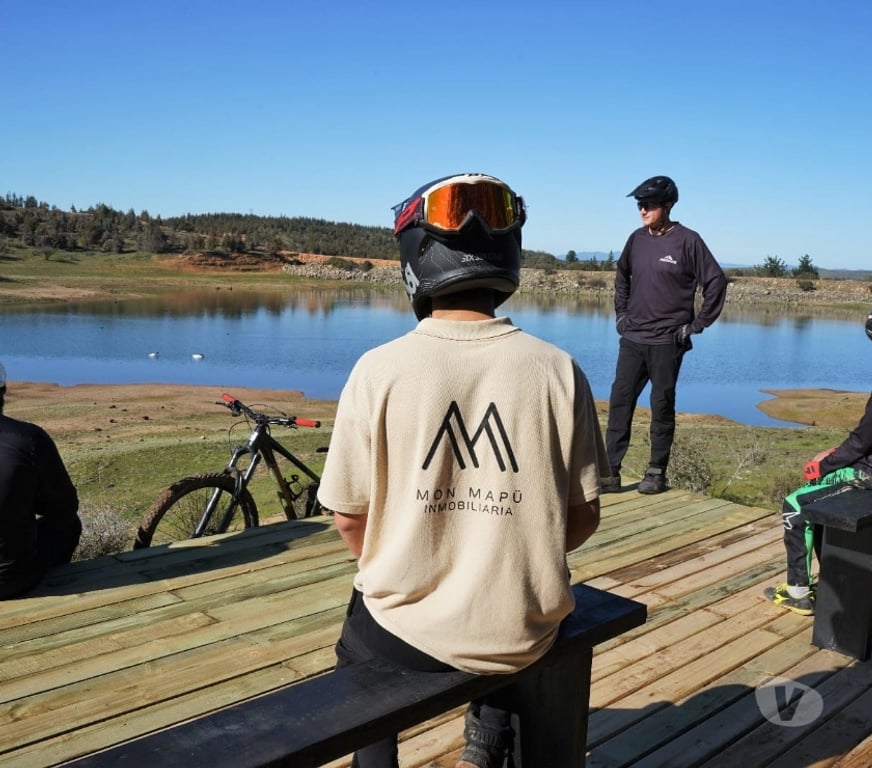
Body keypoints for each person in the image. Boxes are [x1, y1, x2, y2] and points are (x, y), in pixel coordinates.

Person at [317, 173, 607, 768]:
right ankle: (489, 738)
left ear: (415, 258)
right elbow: (582, 517)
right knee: (502, 633)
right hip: (523, 628)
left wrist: (411, 556)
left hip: (405, 633)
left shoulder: (379, 370)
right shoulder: (559, 370)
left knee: (358, 653)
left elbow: (350, 521)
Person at [602, 175, 727, 495]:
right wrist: (621, 315)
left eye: (649, 205)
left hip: (666, 342)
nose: (642, 210)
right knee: (620, 401)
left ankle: (655, 473)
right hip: (633, 339)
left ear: (668, 205)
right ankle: (609, 472)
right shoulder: (636, 239)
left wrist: (696, 325)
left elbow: (716, 282)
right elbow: (622, 277)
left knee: (661, 405)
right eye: (639, 205)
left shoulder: (688, 240)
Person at [764, 311, 872, 615]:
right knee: (821, 498)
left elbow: (862, 442)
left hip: (867, 476)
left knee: (795, 505)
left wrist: (824, 465)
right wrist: (837, 451)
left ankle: (798, 590)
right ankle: (830, 579)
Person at [0, 362, 81, 599]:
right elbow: (65, 507)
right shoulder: (29, 439)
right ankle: (57, 590)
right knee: (69, 525)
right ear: (2, 393)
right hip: (9, 582)